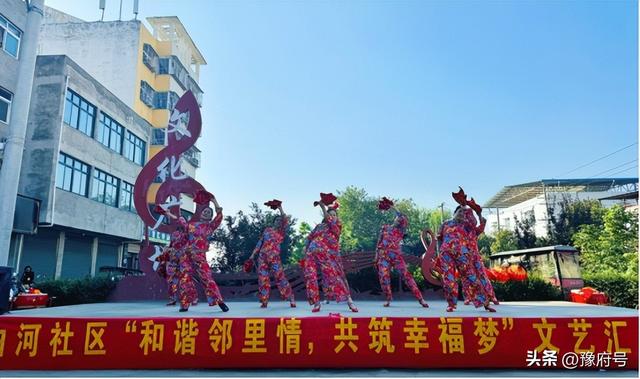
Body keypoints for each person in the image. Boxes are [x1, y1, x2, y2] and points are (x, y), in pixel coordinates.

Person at [165, 192, 228, 313]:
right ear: (201, 213)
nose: (206, 213)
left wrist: (214, 201)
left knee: (207, 278)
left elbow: (219, 214)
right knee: (185, 278)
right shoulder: (191, 225)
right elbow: (180, 221)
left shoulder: (210, 226)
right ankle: (184, 304)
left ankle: (220, 302)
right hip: (186, 256)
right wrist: (168, 214)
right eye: (205, 211)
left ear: (210, 217)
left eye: (209, 213)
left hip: (200, 255)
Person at [301, 198, 357, 313]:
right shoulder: (320, 226)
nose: (332, 216)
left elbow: (330, 220)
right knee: (310, 276)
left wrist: (323, 207)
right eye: (329, 214)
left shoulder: (336, 226)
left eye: (334, 215)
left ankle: (349, 301)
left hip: (326, 255)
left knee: (334, 277)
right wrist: (304, 248)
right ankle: (316, 303)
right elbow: (309, 237)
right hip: (311, 252)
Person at [437, 205, 496, 313]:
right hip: (446, 254)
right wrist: (438, 253)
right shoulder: (445, 223)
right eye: (460, 211)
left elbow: (479, 228)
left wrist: (478, 213)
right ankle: (451, 305)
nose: (462, 214)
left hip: (463, 254)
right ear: (454, 212)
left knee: (471, 277)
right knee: (448, 280)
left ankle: (485, 304)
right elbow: (439, 239)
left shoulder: (467, 225)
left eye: (464, 212)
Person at [375, 202, 429, 308]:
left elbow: (402, 218)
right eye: (397, 218)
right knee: (383, 277)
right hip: (383, 256)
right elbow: (378, 243)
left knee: (406, 276)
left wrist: (392, 207)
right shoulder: (385, 228)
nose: (398, 220)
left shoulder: (400, 230)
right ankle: (388, 299)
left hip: (396, 256)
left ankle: (420, 299)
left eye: (400, 219)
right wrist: (376, 256)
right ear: (394, 219)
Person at [248, 202, 296, 308]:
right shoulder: (267, 230)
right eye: (277, 220)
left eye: (280, 220)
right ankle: (264, 300)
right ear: (273, 221)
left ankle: (291, 297)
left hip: (274, 258)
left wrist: (280, 208)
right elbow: (260, 242)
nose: (279, 221)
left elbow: (285, 219)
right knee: (263, 278)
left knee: (280, 277)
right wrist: (253, 254)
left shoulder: (281, 232)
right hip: (262, 256)